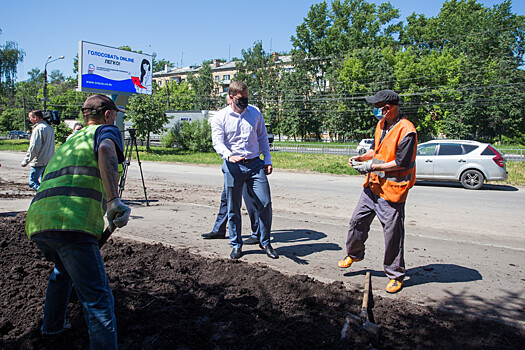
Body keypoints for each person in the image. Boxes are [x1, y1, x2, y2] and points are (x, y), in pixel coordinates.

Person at [25, 94, 131, 349]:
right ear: (107, 114)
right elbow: (107, 151)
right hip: (72, 222)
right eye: (115, 114)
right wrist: (113, 201)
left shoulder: (72, 139)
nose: (115, 119)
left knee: (62, 274)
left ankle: (51, 328)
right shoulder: (106, 131)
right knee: (98, 299)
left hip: (40, 222)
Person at [338, 89, 417, 294]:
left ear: (387, 107)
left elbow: (401, 163)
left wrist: (371, 167)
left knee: (393, 234)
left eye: (376, 106)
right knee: (357, 222)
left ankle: (395, 274)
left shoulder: (407, 131)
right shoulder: (381, 124)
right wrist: (362, 159)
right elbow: (378, 151)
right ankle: (355, 254)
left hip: (392, 192)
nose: (374, 110)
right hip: (372, 187)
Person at [211, 81, 277, 260]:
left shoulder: (254, 113)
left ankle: (265, 242)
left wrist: (268, 159)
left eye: (247, 98)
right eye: (241, 98)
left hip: (255, 164)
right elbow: (217, 142)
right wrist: (228, 155)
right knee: (233, 208)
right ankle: (236, 244)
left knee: (265, 203)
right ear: (231, 97)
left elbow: (263, 136)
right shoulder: (220, 117)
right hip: (234, 166)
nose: (245, 101)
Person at [21, 110, 55, 191]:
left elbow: (34, 147)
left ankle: (44, 194)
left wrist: (26, 161)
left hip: (39, 160)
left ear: (35, 117)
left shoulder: (38, 129)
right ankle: (46, 195)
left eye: (30, 117)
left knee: (32, 182)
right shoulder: (49, 128)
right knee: (44, 182)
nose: (30, 120)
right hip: (49, 160)